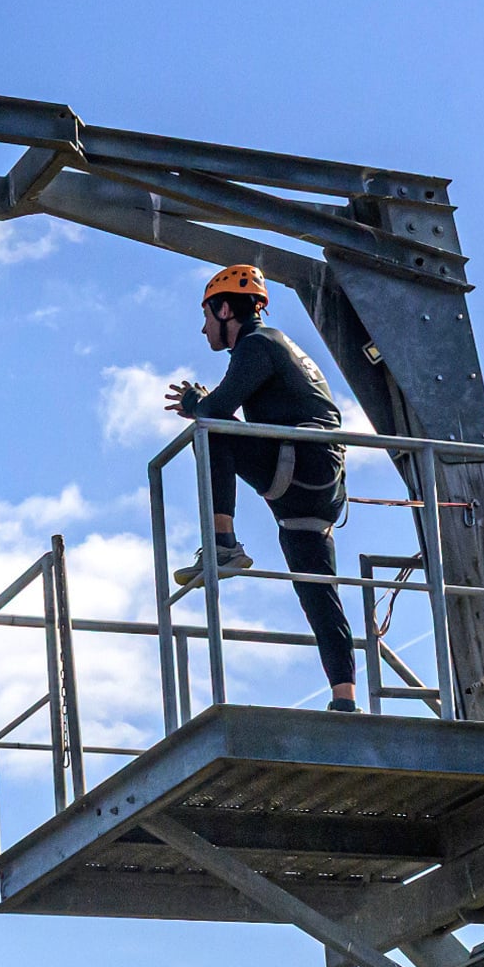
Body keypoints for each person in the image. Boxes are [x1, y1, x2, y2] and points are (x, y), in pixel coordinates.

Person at [163, 263, 360, 710]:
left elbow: (218, 408)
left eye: (208, 317)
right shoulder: (276, 345)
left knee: (209, 430)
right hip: (317, 484)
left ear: (227, 309)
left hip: (302, 463)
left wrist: (196, 404)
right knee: (316, 588)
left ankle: (223, 543)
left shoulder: (256, 343)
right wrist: (205, 406)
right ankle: (344, 697)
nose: (203, 328)